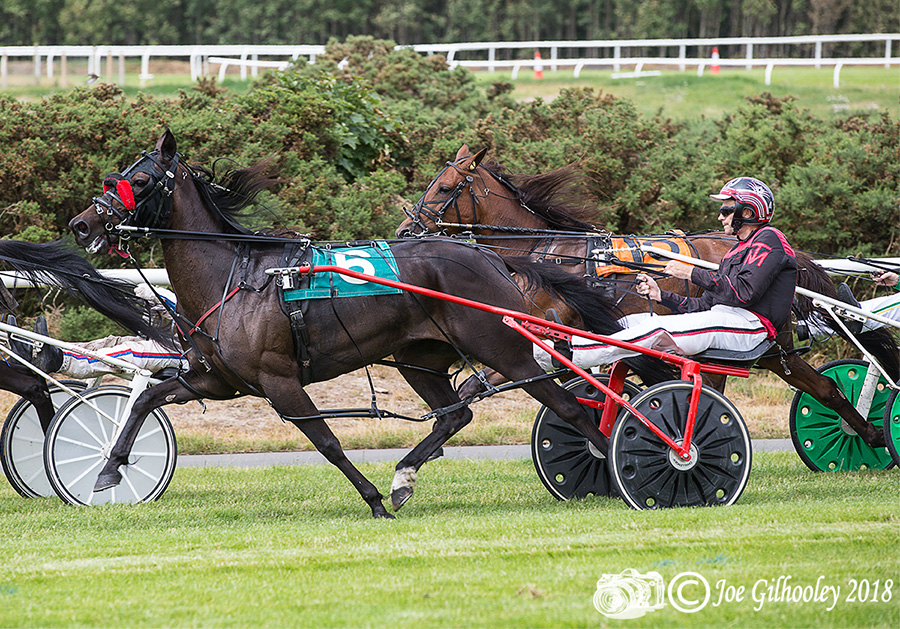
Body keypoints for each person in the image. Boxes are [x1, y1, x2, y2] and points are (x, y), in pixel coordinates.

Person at [534, 177, 797, 370]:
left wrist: (691, 273)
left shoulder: (769, 239)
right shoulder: (737, 250)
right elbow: (703, 305)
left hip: (750, 327)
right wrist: (662, 296)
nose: (721, 217)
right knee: (633, 322)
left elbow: (744, 292)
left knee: (654, 329)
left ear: (748, 212)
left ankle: (571, 356)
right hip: (724, 319)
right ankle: (556, 349)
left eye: (727, 210)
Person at [29, 284, 187, 378]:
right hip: (175, 344)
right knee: (113, 342)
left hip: (188, 355)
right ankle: (50, 351)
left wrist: (161, 296)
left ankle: (61, 361)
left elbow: (187, 317)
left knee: (129, 353)